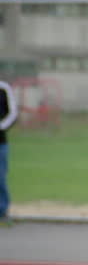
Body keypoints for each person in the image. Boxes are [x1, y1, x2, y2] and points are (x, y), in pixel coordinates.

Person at [0, 79, 18, 222]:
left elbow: (12, 114)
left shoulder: (4, 88)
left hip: (1, 143)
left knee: (0, 177)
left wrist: (1, 126)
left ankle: (2, 211)